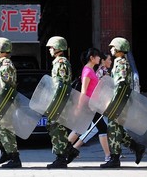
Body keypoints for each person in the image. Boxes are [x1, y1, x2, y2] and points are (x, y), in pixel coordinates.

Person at [100, 37, 146, 168]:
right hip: (122, 101)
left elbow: (120, 84)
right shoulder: (120, 62)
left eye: (113, 47)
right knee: (118, 129)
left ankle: (114, 158)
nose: (111, 49)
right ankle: (137, 147)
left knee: (112, 128)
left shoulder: (120, 63)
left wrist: (113, 102)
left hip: (120, 101)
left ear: (120, 48)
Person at [67, 48, 111, 162]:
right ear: (91, 58)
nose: (99, 58)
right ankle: (108, 156)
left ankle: (64, 150)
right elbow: (84, 90)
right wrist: (79, 107)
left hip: (93, 105)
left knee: (82, 128)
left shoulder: (91, 70)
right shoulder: (87, 71)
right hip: (89, 105)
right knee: (100, 128)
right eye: (97, 56)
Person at [45, 36, 78, 168]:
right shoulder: (58, 62)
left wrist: (55, 103)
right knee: (56, 127)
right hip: (60, 101)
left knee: (57, 128)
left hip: (60, 101)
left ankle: (61, 158)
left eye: (52, 47)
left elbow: (61, 85)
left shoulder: (61, 63)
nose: (50, 50)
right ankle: (69, 151)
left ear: (58, 48)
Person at [0, 37, 22, 168]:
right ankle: (5, 151)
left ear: (1, 49)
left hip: (5, 103)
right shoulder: (2, 65)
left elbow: (6, 87)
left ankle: (14, 158)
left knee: (6, 130)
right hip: (3, 102)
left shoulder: (5, 66)